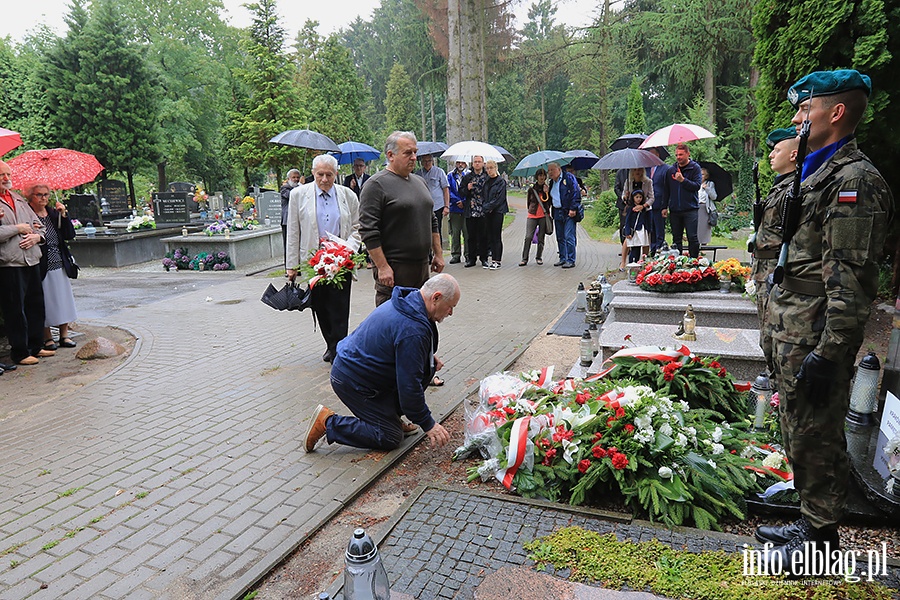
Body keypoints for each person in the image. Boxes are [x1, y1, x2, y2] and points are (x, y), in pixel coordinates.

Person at [757, 69, 893, 576]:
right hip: (794, 324)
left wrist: (830, 352)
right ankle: (810, 519)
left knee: (817, 431)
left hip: (817, 332)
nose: (796, 118)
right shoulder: (815, 172)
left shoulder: (853, 180)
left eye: (805, 109)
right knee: (800, 427)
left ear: (835, 113)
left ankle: (820, 542)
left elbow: (851, 281)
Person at [304, 273, 459, 452]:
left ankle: (389, 417)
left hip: (360, 371)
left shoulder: (409, 303)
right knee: (389, 436)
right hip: (351, 379)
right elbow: (409, 388)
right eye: (450, 306)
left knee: (422, 369)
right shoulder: (412, 328)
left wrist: (425, 356)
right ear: (436, 297)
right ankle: (328, 423)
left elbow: (397, 345)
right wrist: (428, 424)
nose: (451, 312)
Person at [286, 154, 361, 363]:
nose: (325, 179)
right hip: (313, 262)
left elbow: (358, 227)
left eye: (329, 174)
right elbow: (293, 231)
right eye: (320, 174)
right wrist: (292, 266)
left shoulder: (348, 195)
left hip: (340, 260)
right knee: (320, 305)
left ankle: (339, 346)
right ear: (312, 173)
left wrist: (348, 249)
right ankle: (331, 343)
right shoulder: (299, 195)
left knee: (339, 305)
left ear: (336, 174)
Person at [359, 131, 443, 307]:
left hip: (422, 270)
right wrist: (382, 266)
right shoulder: (376, 185)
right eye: (407, 153)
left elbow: (432, 220)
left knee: (418, 324)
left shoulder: (420, 182)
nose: (414, 157)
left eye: (415, 152)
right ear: (390, 155)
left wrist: (438, 254)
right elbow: (368, 230)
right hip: (394, 272)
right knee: (393, 326)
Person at [750, 127, 798, 377]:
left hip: (773, 271)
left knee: (771, 336)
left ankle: (775, 383)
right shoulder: (780, 188)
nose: (771, 155)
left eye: (777, 150)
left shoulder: (794, 191)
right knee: (765, 333)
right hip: (763, 269)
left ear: (793, 155)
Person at [0, 160, 53, 366]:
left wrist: (37, 238)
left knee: (35, 305)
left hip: (31, 259)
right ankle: (20, 352)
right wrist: (18, 229)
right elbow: (20, 227)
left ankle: (36, 345)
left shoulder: (18, 199)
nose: (7, 179)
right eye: (2, 175)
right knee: (15, 309)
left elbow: (38, 226)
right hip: (10, 263)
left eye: (8, 174)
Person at [26, 183, 78, 350]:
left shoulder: (54, 213)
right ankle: (47, 336)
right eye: (39, 195)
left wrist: (64, 215)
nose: (44, 198)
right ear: (30, 197)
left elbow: (69, 235)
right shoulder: (28, 214)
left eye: (46, 194)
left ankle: (64, 334)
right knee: (45, 299)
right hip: (40, 262)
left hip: (59, 260)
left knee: (62, 297)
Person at [659, 143, 702, 258]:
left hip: (690, 208)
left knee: (692, 237)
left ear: (688, 154)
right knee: (676, 238)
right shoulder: (671, 170)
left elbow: (697, 186)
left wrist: (683, 180)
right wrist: (664, 206)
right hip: (675, 209)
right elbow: (666, 189)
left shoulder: (695, 168)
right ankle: (678, 261)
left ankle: (694, 260)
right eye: (677, 155)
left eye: (681, 155)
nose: (678, 157)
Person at [619, 167, 654, 270]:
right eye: (635, 170)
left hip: (644, 212)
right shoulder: (628, 181)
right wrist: (625, 197)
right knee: (628, 237)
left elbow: (652, 197)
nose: (637, 172)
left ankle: (644, 262)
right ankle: (623, 262)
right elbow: (623, 196)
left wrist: (643, 206)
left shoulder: (648, 182)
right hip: (632, 211)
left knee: (645, 237)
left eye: (639, 170)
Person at [547, 162, 580, 268]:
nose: (550, 172)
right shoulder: (552, 182)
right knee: (560, 237)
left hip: (568, 211)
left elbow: (576, 192)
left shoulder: (568, 178)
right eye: (549, 170)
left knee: (569, 235)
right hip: (557, 211)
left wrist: (573, 208)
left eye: (552, 170)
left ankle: (571, 259)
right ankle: (563, 258)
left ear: (559, 169)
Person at [415, 153, 450, 246]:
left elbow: (445, 189)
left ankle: (438, 251)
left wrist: (447, 206)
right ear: (421, 162)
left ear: (433, 161)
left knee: (437, 229)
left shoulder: (439, 172)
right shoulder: (418, 174)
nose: (427, 163)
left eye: (429, 161)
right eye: (424, 161)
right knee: (425, 230)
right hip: (423, 207)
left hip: (437, 206)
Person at [460, 156, 488, 268]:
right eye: (475, 162)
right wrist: (467, 188)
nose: (477, 164)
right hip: (471, 211)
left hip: (483, 211)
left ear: (483, 163)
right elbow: (461, 192)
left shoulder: (487, 177)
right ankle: (471, 259)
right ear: (472, 164)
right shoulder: (467, 177)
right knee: (471, 236)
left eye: (479, 162)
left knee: (483, 236)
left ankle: (484, 258)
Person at [481, 160, 508, 270]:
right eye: (487, 168)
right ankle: (491, 259)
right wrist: (486, 207)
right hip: (488, 211)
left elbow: (499, 199)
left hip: (498, 211)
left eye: (491, 168)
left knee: (496, 236)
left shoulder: (501, 181)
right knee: (490, 235)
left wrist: (490, 207)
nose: (489, 170)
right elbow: (484, 196)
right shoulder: (486, 181)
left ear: (496, 168)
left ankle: (497, 260)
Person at [520, 168, 550, 266]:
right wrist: (531, 210)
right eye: (540, 175)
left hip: (543, 216)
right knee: (528, 237)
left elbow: (549, 203)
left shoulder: (548, 189)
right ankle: (524, 258)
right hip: (532, 215)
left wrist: (547, 192)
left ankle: (539, 257)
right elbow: (529, 202)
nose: (542, 177)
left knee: (541, 238)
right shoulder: (532, 189)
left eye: (543, 175)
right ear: (537, 177)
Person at [646, 147, 670, 254]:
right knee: (651, 229)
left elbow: (668, 187)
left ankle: (659, 248)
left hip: (660, 203)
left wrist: (666, 204)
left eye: (652, 154)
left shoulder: (665, 168)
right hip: (647, 204)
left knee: (659, 228)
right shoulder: (646, 168)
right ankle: (652, 248)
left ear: (657, 155)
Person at [446, 161, 468, 264]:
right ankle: (456, 255)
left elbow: (470, 191)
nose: (460, 165)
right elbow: (448, 190)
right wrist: (456, 201)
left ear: (466, 164)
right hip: (454, 208)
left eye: (462, 163)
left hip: (466, 209)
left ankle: (468, 255)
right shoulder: (450, 176)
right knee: (455, 233)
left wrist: (463, 202)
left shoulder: (469, 175)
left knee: (467, 233)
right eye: (458, 163)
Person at [280, 169, 303, 265]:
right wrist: (301, 186)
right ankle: (289, 267)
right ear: (288, 178)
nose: (296, 179)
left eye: (298, 177)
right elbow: (292, 196)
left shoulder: (301, 188)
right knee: (289, 245)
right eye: (293, 177)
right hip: (287, 221)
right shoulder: (285, 188)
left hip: (299, 220)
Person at [622, 189, 650, 264]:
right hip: (634, 230)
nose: (638, 199)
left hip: (641, 229)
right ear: (633, 197)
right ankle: (632, 264)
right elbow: (627, 221)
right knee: (634, 248)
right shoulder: (630, 208)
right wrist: (628, 232)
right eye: (637, 197)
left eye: (640, 197)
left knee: (640, 246)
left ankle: (639, 263)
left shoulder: (643, 208)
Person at [696, 168, 717, 246]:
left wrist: (707, 188)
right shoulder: (695, 183)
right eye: (699, 174)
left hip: (705, 208)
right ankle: (696, 244)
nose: (700, 176)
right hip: (695, 207)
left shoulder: (710, 184)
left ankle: (704, 244)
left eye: (702, 174)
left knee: (705, 227)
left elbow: (714, 197)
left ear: (706, 176)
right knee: (696, 227)